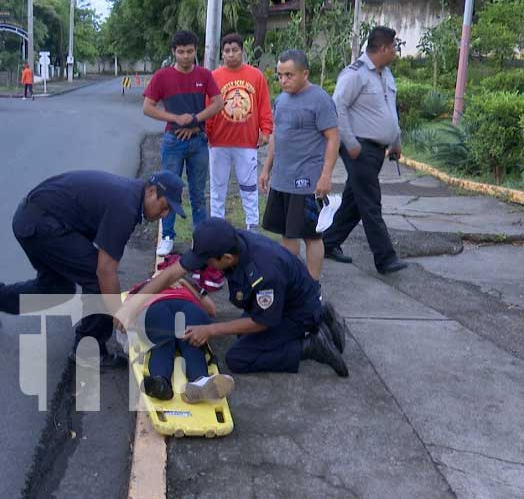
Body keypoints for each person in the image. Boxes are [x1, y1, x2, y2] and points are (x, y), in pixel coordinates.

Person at [0, 170, 186, 368]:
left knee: (56, 289)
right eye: (165, 206)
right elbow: (105, 270)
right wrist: (120, 314)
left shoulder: (131, 197)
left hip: (36, 218)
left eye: (170, 211)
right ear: (151, 191)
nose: (166, 214)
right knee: (98, 278)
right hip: (41, 223)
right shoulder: (126, 207)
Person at [118, 217, 349, 378]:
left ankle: (310, 345)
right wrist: (133, 305)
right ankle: (323, 318)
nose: (203, 266)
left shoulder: (263, 271)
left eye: (208, 262)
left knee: (239, 357)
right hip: (291, 295)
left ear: (227, 258)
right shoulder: (225, 241)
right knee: (239, 332)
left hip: (294, 312)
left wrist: (210, 330)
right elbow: (172, 273)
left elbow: (262, 322)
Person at [322, 26, 408, 275]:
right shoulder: (354, 75)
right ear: (381, 48)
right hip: (359, 148)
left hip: (378, 149)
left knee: (355, 201)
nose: (395, 51)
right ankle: (385, 258)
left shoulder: (386, 74)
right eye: (393, 46)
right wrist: (351, 144)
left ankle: (329, 242)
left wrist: (396, 140)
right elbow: (337, 107)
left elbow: (391, 111)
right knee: (371, 202)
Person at [258, 50, 340, 281]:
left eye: (289, 75)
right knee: (287, 233)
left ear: (305, 73)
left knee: (312, 236)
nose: (283, 80)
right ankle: (291, 282)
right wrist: (266, 169)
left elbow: (333, 138)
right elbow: (276, 135)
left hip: (306, 181)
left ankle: (313, 286)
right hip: (282, 179)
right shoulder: (281, 100)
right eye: (280, 75)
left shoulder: (321, 100)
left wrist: (326, 176)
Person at [143, 30, 224, 256]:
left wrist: (195, 121)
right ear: (173, 52)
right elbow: (147, 107)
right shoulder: (162, 76)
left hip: (198, 139)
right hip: (173, 140)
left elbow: (218, 103)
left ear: (195, 51)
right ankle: (167, 236)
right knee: (167, 190)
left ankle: (200, 239)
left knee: (198, 193)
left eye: (190, 51)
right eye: (181, 52)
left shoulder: (205, 75)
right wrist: (177, 119)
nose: (186, 56)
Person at [127, 259, 233, 403]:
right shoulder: (146, 285)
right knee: (180, 344)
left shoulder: (189, 285)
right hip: (162, 306)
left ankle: (191, 385)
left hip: (180, 306)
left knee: (175, 343)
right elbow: (128, 310)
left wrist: (186, 283)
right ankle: (170, 383)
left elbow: (212, 310)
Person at [206, 33, 273, 233]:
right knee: (218, 187)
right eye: (227, 51)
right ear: (222, 54)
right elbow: (207, 106)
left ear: (242, 51)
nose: (231, 54)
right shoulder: (214, 76)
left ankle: (252, 224)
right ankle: (217, 224)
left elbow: (263, 105)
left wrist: (266, 130)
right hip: (218, 141)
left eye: (235, 50)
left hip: (246, 142)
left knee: (249, 186)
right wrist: (207, 133)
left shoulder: (256, 76)